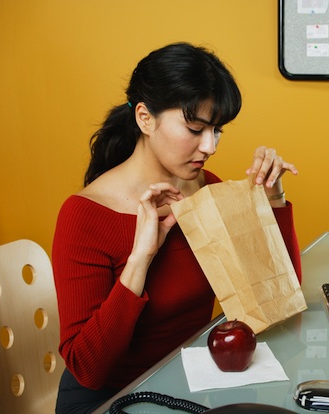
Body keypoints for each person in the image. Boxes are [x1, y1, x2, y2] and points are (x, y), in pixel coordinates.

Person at [52, 42, 302, 414]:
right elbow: (88, 369)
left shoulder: (206, 187)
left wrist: (274, 199)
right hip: (114, 398)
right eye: (194, 128)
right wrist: (141, 259)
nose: (210, 146)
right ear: (145, 118)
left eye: (217, 130)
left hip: (186, 383)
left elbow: (279, 297)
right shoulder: (85, 215)